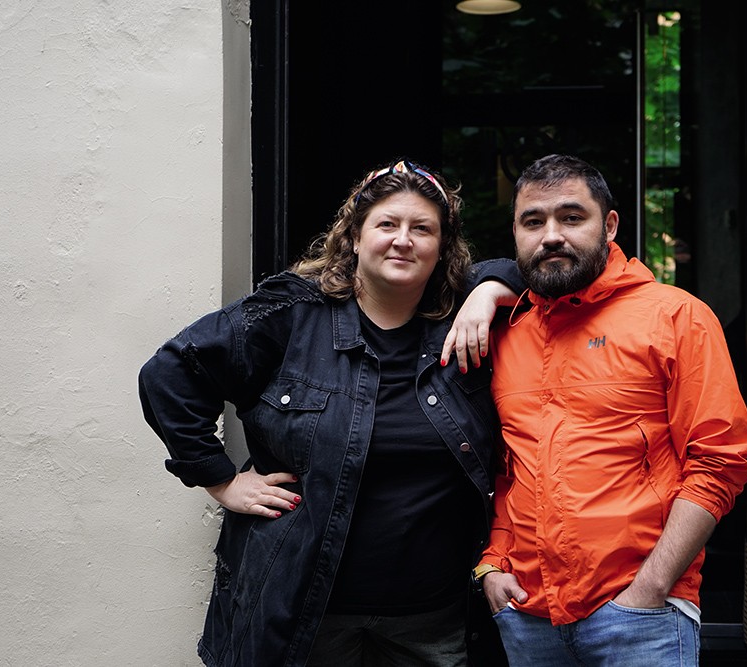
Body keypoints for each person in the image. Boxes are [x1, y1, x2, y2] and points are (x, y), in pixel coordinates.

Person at [138, 159, 522, 667]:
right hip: (305, 617)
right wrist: (220, 479)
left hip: (432, 623)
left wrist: (489, 289)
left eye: (422, 228)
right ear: (356, 237)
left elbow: (541, 272)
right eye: (387, 224)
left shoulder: (463, 324)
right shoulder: (293, 314)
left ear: (442, 247)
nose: (403, 240)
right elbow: (170, 372)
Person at [466, 154, 747, 666]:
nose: (551, 235)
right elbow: (510, 467)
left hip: (641, 615)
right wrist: (492, 564)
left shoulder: (676, 316)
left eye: (572, 217)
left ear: (610, 225)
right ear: (514, 234)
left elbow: (720, 462)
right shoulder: (506, 332)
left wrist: (652, 587)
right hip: (527, 613)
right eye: (533, 221)